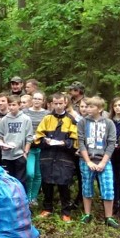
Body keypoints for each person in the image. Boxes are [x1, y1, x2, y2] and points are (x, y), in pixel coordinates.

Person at [77, 97, 119, 228]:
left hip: (104, 161)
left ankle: (109, 217)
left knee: (108, 188)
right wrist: (88, 161)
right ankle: (87, 214)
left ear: (100, 109)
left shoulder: (109, 123)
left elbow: (112, 143)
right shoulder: (82, 122)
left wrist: (103, 162)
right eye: (87, 106)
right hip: (87, 160)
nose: (88, 109)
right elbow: (81, 142)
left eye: (91, 107)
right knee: (87, 187)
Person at [36, 93, 78, 222]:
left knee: (63, 184)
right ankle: (47, 208)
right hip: (48, 155)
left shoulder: (71, 119)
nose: (58, 106)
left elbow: (75, 141)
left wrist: (64, 143)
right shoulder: (47, 118)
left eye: (61, 103)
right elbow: (38, 136)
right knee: (47, 183)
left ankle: (66, 212)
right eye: (56, 103)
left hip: (64, 156)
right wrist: (45, 141)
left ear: (65, 103)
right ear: (51, 104)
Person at [0, 95, 33, 185]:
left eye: (14, 105)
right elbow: (0, 136)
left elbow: (29, 137)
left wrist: (25, 152)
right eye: (10, 105)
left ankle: (21, 198)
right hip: (6, 155)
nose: (11, 107)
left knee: (21, 180)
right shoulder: (4, 119)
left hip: (20, 155)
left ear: (19, 105)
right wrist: (2, 145)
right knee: (8, 180)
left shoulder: (26, 119)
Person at [23, 91, 49, 205]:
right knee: (30, 173)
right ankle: (27, 197)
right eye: (35, 98)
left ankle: (34, 198)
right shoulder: (25, 112)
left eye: (39, 99)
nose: (37, 101)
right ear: (32, 100)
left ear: (43, 101)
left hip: (42, 147)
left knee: (38, 174)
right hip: (29, 147)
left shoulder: (47, 114)